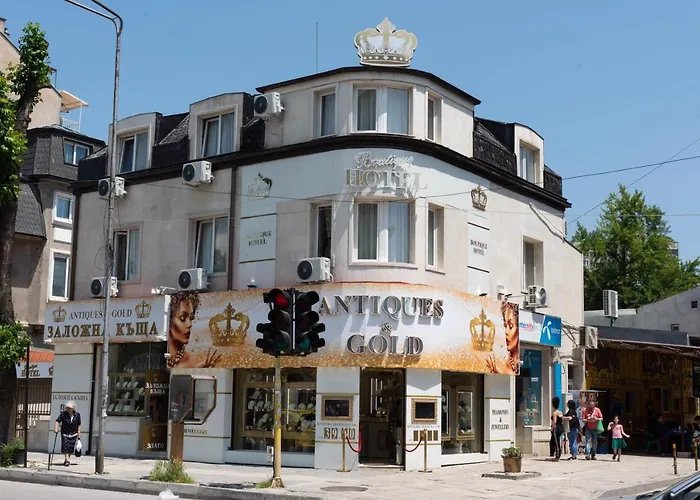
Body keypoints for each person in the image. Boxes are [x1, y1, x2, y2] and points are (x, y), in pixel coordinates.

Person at [168, 291, 221, 368]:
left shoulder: (194, 361)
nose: (189, 324)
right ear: (168, 321)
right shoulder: (156, 354)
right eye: (182, 318)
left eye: (191, 318)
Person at [53, 401, 81, 467]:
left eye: (69, 408)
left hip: (74, 433)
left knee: (71, 448)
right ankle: (67, 460)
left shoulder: (77, 415)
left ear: (73, 408)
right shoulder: (64, 414)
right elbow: (57, 421)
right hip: (65, 433)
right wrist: (56, 429)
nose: (68, 409)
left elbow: (79, 424)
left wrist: (79, 432)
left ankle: (66, 459)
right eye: (67, 408)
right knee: (65, 447)